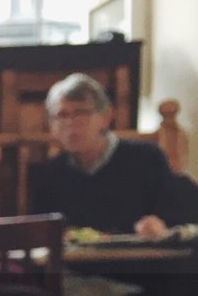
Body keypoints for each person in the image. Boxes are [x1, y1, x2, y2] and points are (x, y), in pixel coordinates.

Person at [29, 73, 174, 238]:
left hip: (137, 259)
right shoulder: (50, 173)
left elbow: (174, 219)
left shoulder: (147, 158)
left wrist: (158, 227)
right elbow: (40, 233)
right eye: (62, 115)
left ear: (105, 116)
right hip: (76, 262)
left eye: (80, 113)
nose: (70, 123)